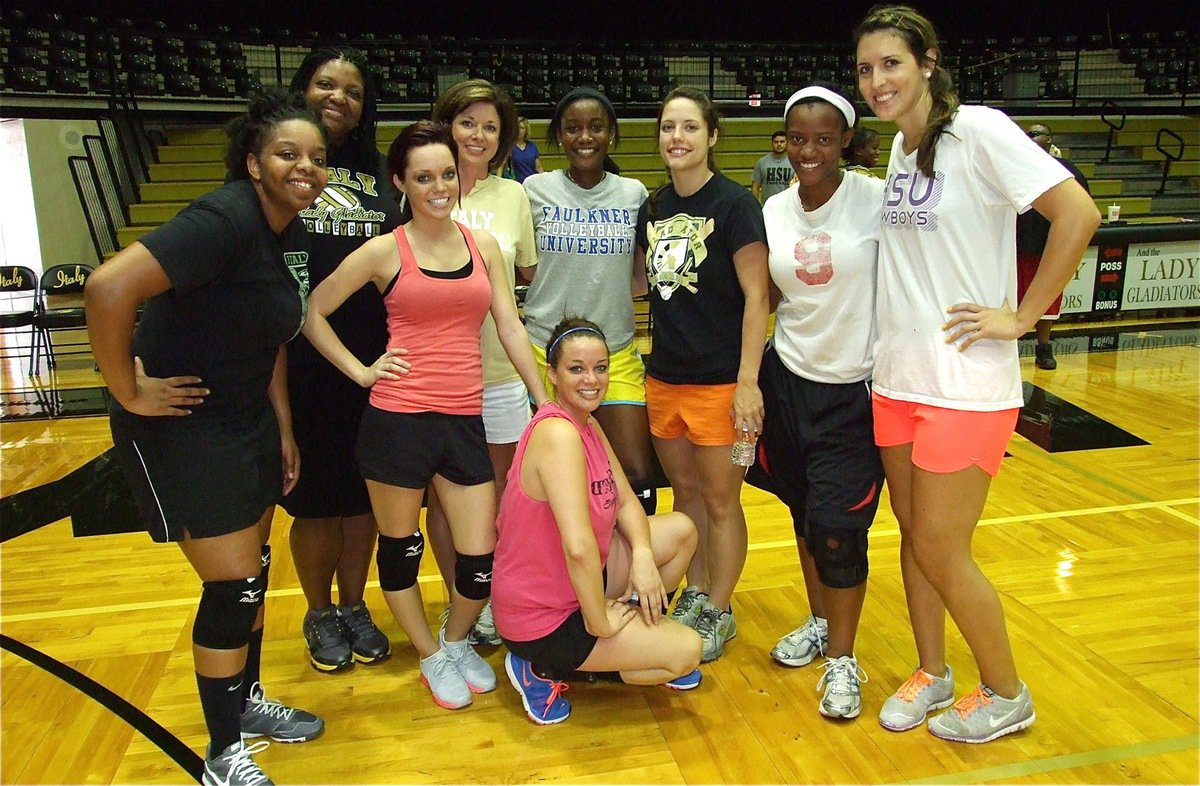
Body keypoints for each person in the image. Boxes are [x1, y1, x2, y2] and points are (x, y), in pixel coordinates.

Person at [854, 5, 1100, 743]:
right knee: (911, 533)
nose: (877, 81)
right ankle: (933, 670)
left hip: (964, 385)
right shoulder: (901, 149)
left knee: (941, 546)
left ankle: (1007, 690)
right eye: (866, 69)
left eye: (891, 63)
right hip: (896, 379)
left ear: (928, 61)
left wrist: (1023, 317)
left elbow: (1077, 214)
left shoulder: (980, 131)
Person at [85, 89, 327, 784]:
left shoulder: (288, 230)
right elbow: (108, 289)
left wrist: (282, 426)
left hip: (247, 418)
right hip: (184, 426)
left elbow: (272, 334)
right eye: (287, 153)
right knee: (234, 590)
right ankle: (221, 756)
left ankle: (243, 703)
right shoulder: (222, 218)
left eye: (316, 157)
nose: (305, 167)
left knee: (254, 572)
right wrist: (125, 388)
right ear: (253, 162)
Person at [301, 120, 549, 711]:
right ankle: (429, 653)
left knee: (479, 556)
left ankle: (457, 637)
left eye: (446, 174)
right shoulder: (386, 249)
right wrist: (362, 371)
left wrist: (543, 397)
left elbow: (509, 326)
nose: (439, 187)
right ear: (400, 183)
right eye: (424, 177)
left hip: (466, 416)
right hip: (398, 419)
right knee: (401, 548)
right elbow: (312, 310)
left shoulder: (481, 245)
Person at [492, 318, 702, 725]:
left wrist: (642, 555)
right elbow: (578, 547)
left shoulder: (588, 424)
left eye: (601, 368)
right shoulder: (558, 435)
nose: (592, 379)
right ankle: (539, 666)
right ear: (552, 374)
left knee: (680, 532)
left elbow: (625, 501)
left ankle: (636, 641)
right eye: (576, 369)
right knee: (685, 652)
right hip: (543, 615)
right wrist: (600, 620)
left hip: (583, 581)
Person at [757, 85, 885, 721]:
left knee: (839, 532)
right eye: (798, 139)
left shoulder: (876, 199)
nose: (810, 151)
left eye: (824, 139)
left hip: (854, 392)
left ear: (845, 143)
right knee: (805, 516)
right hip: (788, 382)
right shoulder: (774, 208)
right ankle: (817, 621)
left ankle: (843, 657)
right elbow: (766, 299)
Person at [636, 86, 769, 663]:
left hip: (721, 384)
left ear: (712, 137)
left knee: (721, 502)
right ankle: (695, 592)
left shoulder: (736, 205)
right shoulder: (655, 205)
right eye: (668, 127)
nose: (677, 138)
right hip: (665, 379)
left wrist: (747, 382)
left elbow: (758, 297)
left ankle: (720, 606)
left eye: (690, 127)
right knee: (686, 494)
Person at [284, 46, 399, 674]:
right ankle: (318, 610)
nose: (339, 98)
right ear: (303, 90)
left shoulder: (383, 176)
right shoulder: (279, 168)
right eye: (326, 85)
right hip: (301, 361)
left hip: (377, 359)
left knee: (364, 497)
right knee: (314, 499)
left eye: (352, 91)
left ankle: (355, 606)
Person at [428, 79, 538, 646]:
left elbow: (523, 282)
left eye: (490, 126)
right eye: (467, 122)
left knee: (499, 498)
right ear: (448, 125)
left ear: (504, 138)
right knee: (446, 498)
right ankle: (457, 605)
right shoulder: (425, 188)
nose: (478, 134)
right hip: (436, 379)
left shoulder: (515, 197)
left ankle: (490, 597)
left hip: (497, 377)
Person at [522, 87, 657, 517]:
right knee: (553, 477)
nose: (585, 137)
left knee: (636, 473)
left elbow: (640, 275)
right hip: (544, 352)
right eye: (573, 128)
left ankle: (630, 575)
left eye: (596, 127)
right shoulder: (534, 190)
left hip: (613, 353)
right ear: (559, 136)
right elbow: (524, 266)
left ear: (611, 135)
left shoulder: (632, 194)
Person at [1020, 123, 1091, 370]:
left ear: (1049, 139)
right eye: (1026, 134)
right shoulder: (1014, 167)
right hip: (1015, 245)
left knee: (1047, 300)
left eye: (1034, 134)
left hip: (1048, 247)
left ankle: (1043, 346)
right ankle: (1006, 350)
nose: (1028, 138)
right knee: (1011, 298)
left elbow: (1083, 211)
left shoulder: (1068, 172)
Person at [751, 130, 793, 204]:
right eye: (776, 142)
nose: (779, 144)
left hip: (788, 207)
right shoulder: (762, 162)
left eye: (782, 142)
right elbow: (755, 187)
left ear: (787, 143)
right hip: (768, 207)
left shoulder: (794, 162)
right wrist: (755, 206)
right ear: (772, 143)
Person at [509, 116, 544, 183]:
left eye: (522, 128)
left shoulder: (532, 146)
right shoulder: (510, 146)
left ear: (526, 130)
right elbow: (502, 165)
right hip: (517, 184)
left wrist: (543, 182)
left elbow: (538, 167)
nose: (519, 130)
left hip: (532, 183)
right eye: (517, 128)